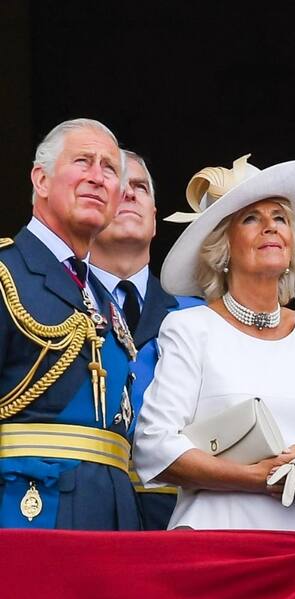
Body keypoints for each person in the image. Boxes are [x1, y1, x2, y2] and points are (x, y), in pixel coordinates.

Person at [133, 154, 295, 531]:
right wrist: (259, 478)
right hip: (223, 543)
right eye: (251, 219)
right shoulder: (189, 329)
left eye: (279, 217)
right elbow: (155, 447)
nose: (270, 227)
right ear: (223, 249)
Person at [0, 118, 141, 530]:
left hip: (112, 514)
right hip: (27, 511)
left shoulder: (103, 294)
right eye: (83, 162)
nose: (97, 177)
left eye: (110, 169)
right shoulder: (7, 273)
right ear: (41, 180)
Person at [90, 150, 201, 529]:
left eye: (140, 187)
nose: (129, 194)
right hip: (83, 512)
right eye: (116, 187)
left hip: (181, 516)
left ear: (154, 218)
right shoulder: (53, 306)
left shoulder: (200, 317)